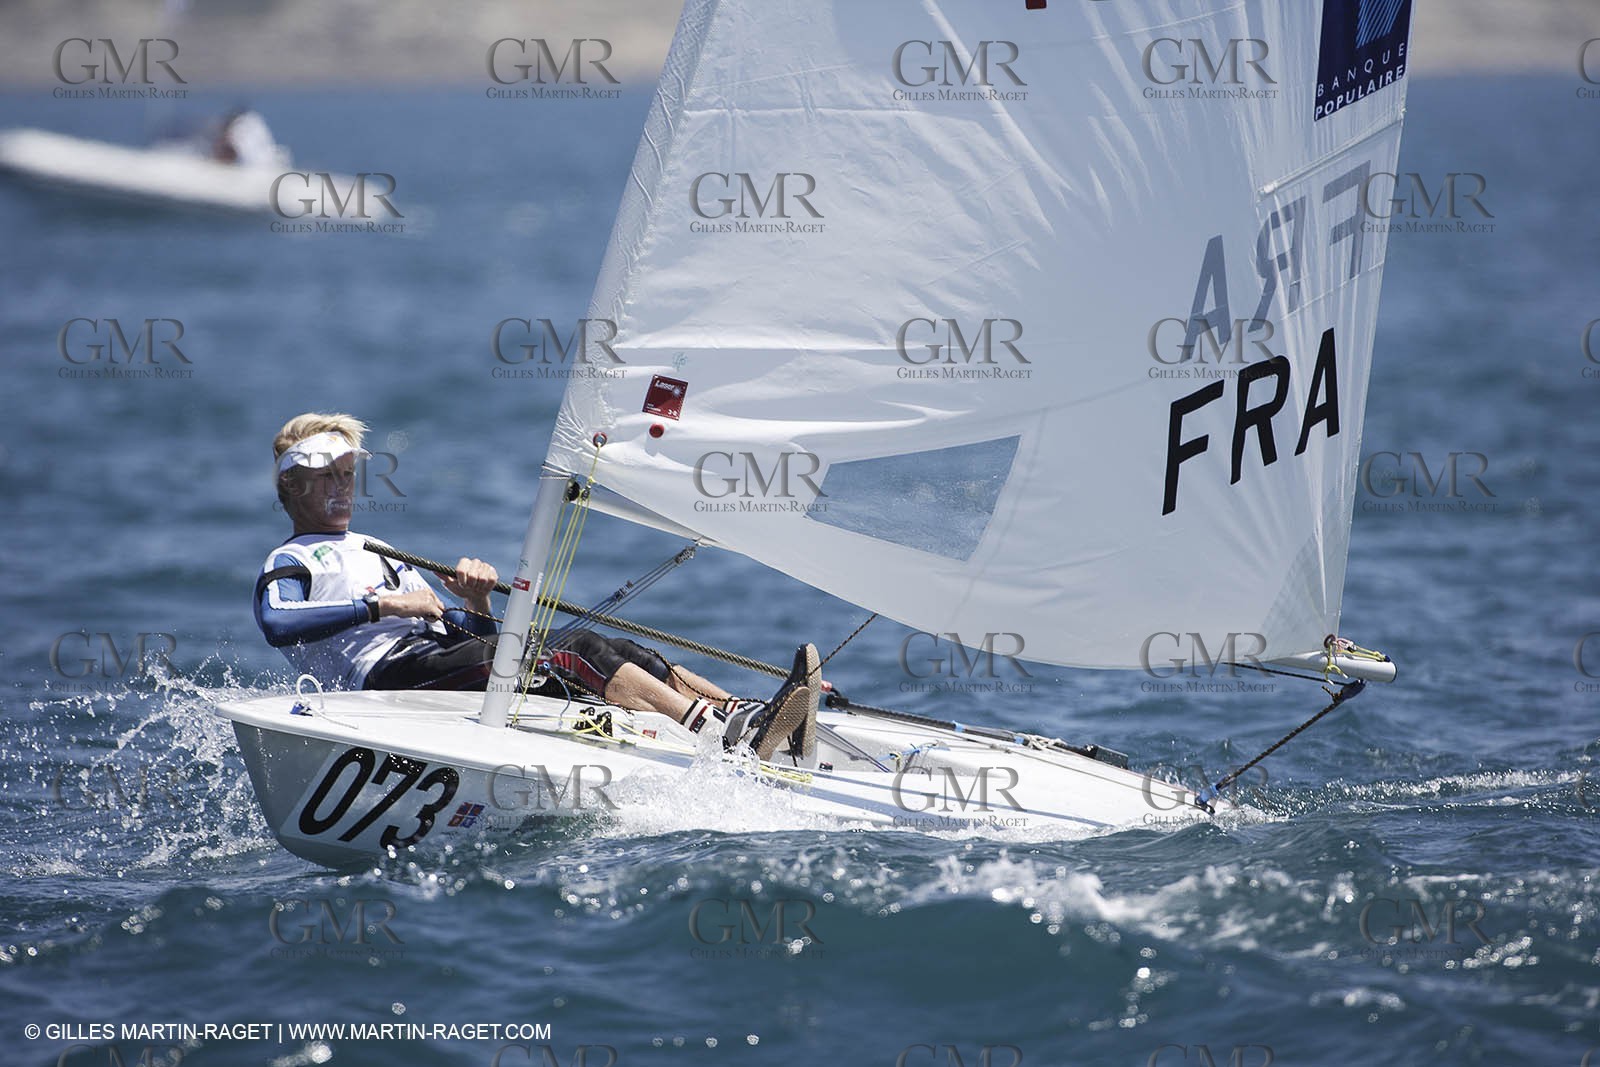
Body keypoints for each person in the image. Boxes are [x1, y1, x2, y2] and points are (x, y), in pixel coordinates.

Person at [253, 412, 818, 760]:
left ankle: (748, 714)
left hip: (431, 666)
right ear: (292, 486)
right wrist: (382, 606)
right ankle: (723, 737)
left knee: (618, 649)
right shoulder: (290, 558)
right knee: (577, 650)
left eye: (347, 474)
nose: (342, 487)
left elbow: (466, 637)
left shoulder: (373, 546)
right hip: (382, 682)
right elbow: (277, 622)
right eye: (325, 477)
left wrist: (473, 600)